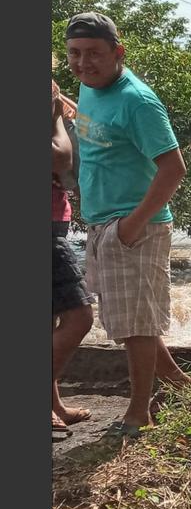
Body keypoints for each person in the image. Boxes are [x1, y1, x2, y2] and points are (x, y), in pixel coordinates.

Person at [67, 12, 191, 432]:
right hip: (102, 224)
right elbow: (97, 140)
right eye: (74, 54)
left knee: (136, 326)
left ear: (118, 52)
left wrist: (132, 226)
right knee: (128, 319)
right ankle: (177, 382)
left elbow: (174, 168)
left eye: (94, 54)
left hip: (133, 226)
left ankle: (140, 412)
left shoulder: (137, 100)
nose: (84, 63)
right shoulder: (88, 89)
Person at [52, 75, 95, 438]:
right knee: (80, 316)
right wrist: (54, 116)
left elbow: (89, 128)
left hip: (55, 215)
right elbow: (61, 155)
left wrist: (61, 104)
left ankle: (54, 405)